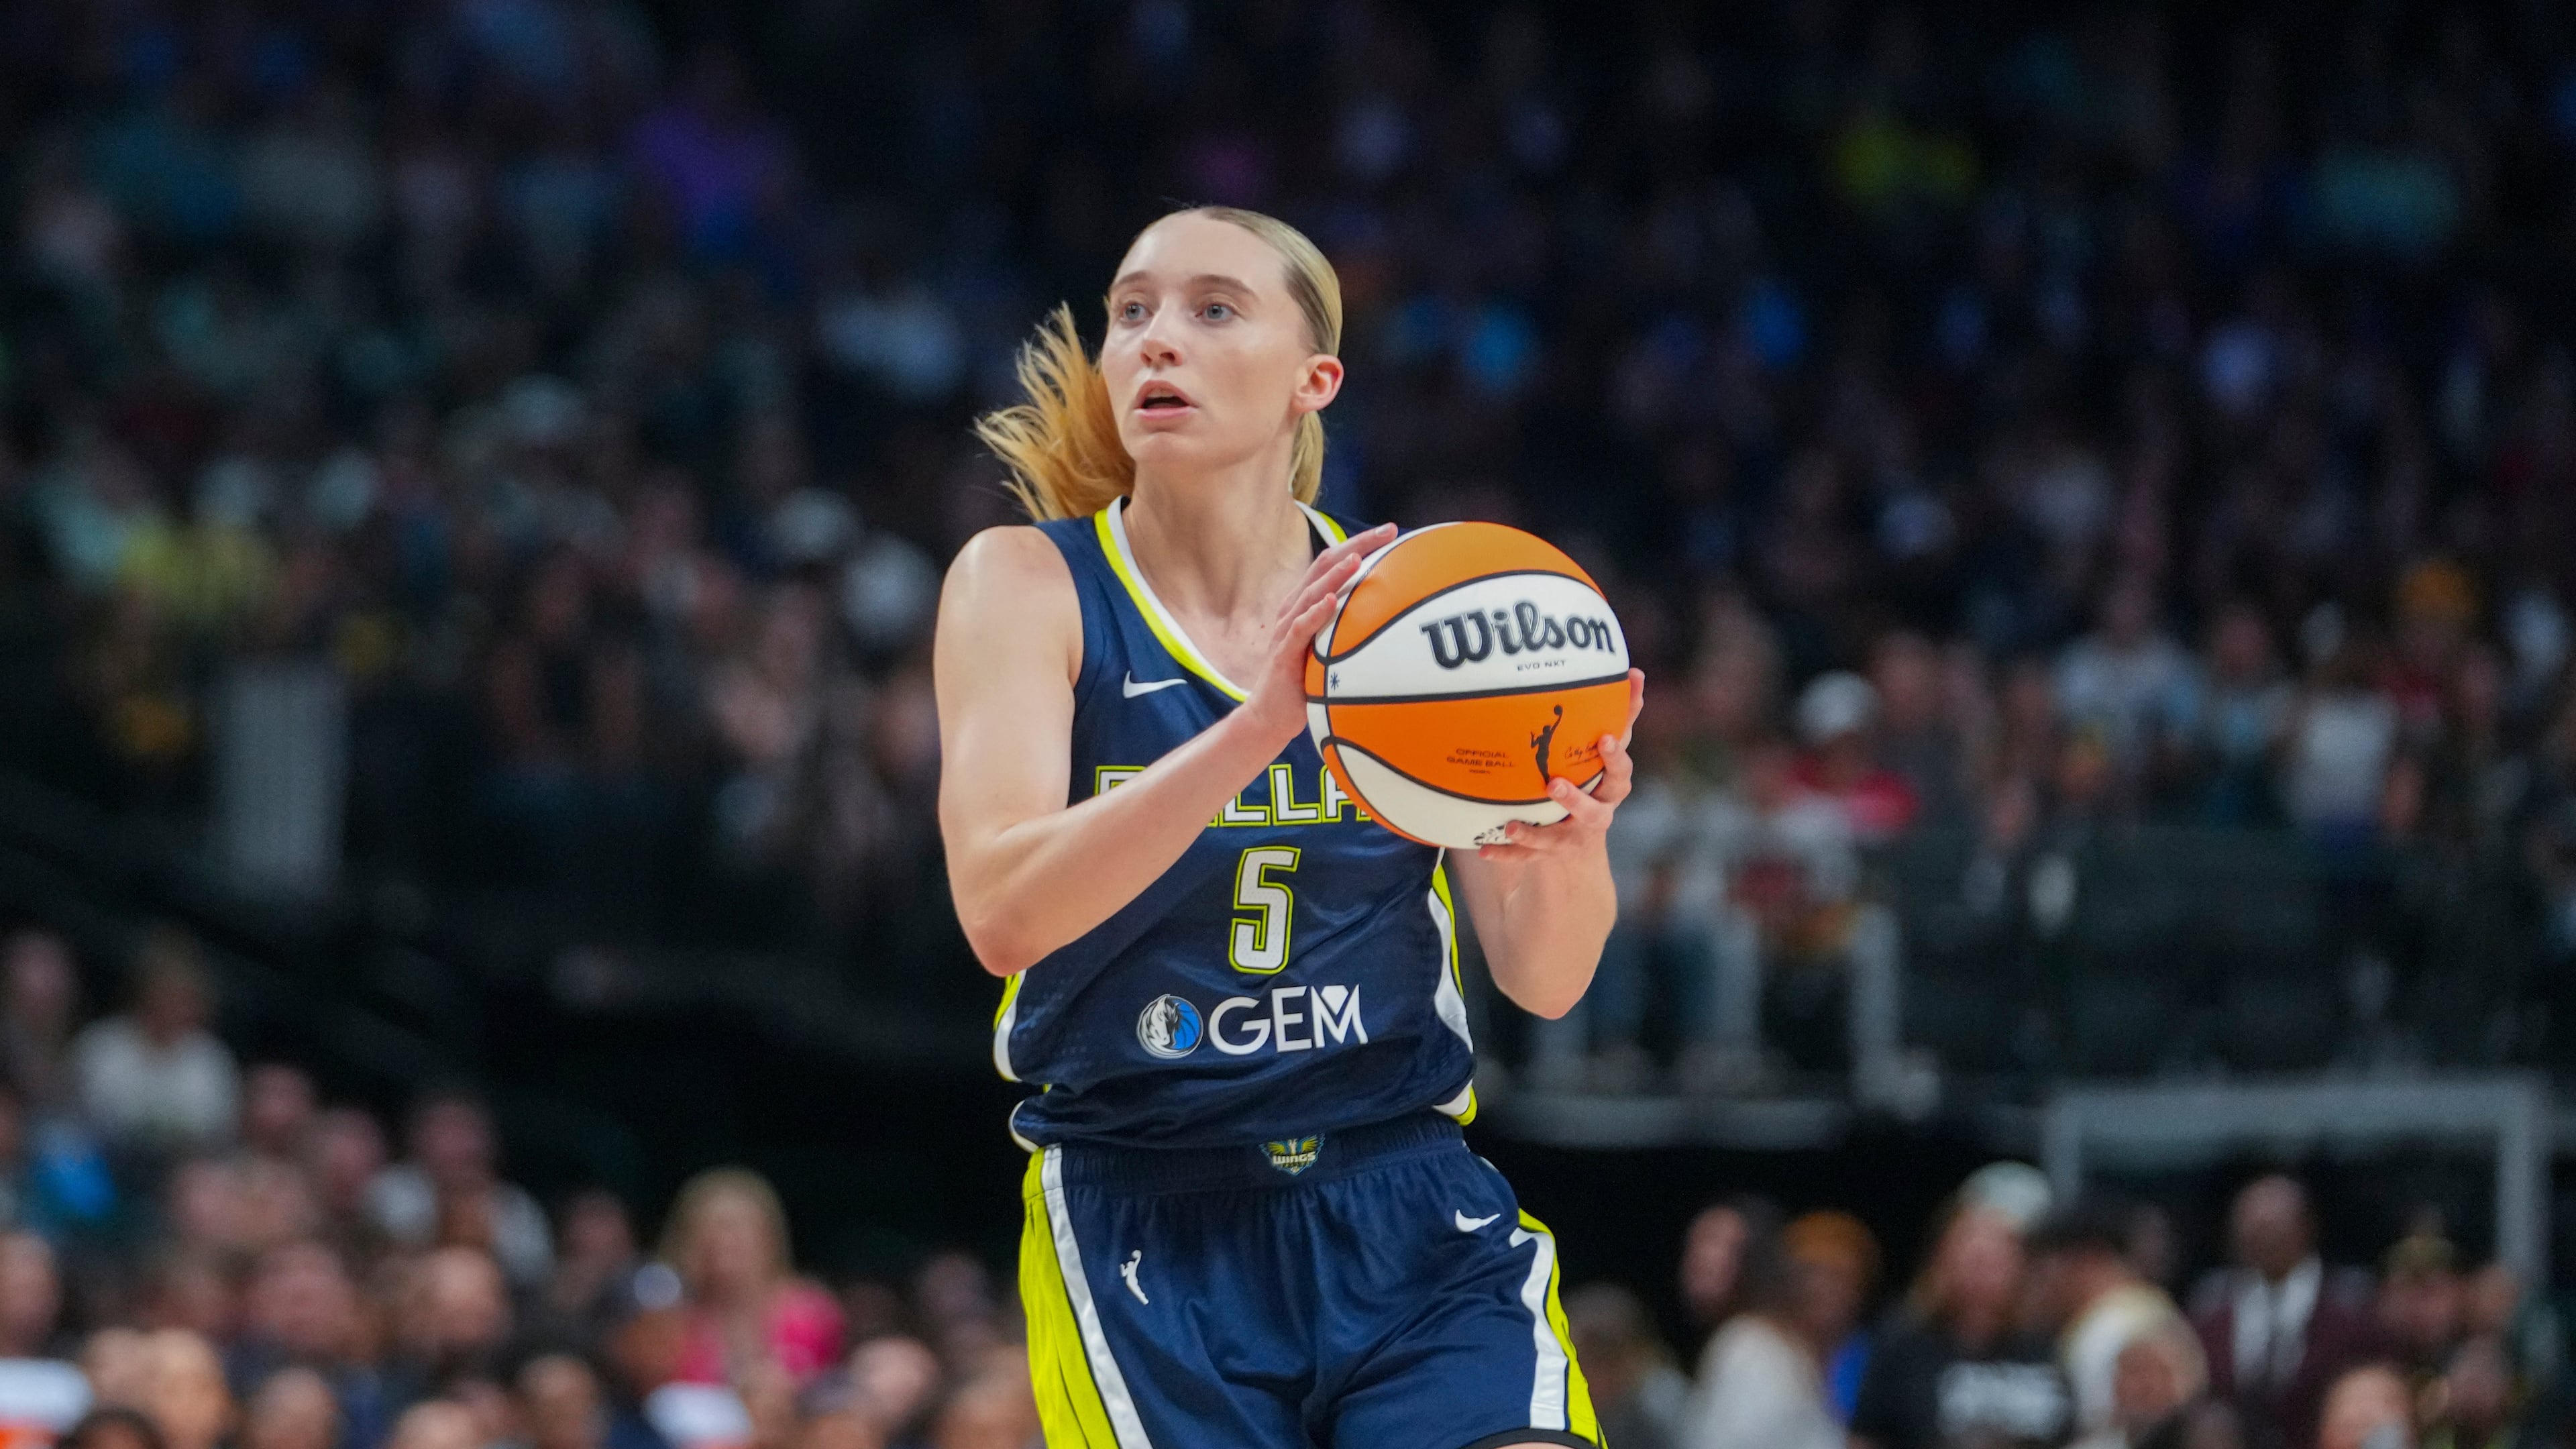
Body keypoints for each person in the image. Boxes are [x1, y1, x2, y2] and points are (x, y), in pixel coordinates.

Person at [937, 205, 1641, 1448]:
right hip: (1150, 1213)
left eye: (1215, 309)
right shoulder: (1026, 585)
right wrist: (1259, 725)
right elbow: (1001, 913)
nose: (1161, 340)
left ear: (1315, 379)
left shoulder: (1418, 617)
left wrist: (1571, 834)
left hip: (1404, 1193)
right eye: (1133, 311)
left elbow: (1545, 978)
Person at [1851, 1199, 2070, 1449]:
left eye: (1995, 1262)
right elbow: (1863, 1437)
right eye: (1973, 1260)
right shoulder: (1904, 1349)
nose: (1983, 1276)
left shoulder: (2046, 1348)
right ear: (1943, 1264)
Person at [2189, 1175, 2383, 1449]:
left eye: (2273, 1226)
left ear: (2306, 1227)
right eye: (2252, 1227)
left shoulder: (2351, 1311)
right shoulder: (2211, 1318)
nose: (2263, 1239)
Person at [1677, 1213, 1868, 1449]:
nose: (1827, 1289)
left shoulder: (1853, 1359)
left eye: (1844, 1278)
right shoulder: (1749, 1349)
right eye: (1815, 1273)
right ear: (1789, 1280)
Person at [2031, 1197, 2198, 1446]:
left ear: (2088, 1259)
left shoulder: (2103, 1332)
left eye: (2053, 1266)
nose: (2047, 1281)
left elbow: (2107, 1437)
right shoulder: (2158, 1308)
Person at [660, 1169, 841, 1385]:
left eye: (735, 1232)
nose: (723, 1243)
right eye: (711, 1232)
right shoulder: (667, 1322)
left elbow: (832, 1397)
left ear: (769, 1240)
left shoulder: (811, 1315)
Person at [69, 931, 239, 1156]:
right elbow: (77, 1121)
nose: (176, 1008)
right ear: (145, 994)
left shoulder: (211, 1062)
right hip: (102, 1161)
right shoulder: (102, 1045)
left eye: (185, 1000)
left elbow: (218, 1140)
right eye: (167, 996)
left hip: (181, 1172)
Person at [366, 1089, 551, 1287]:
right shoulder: (393, 1190)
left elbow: (535, 1275)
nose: (458, 1146)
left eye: (467, 1132)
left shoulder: (515, 1205)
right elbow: (385, 1261)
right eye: (446, 1132)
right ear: (419, 1139)